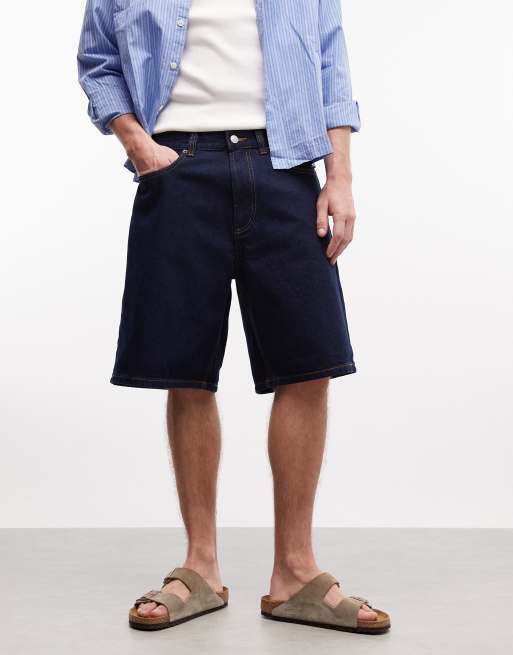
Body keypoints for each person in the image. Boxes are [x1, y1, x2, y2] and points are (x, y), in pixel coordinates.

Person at [78, 0, 390, 635]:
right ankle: (200, 568)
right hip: (177, 169)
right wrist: (137, 144)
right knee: (186, 370)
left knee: (309, 363)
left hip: (286, 168)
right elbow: (98, 61)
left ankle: (295, 573)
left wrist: (341, 178)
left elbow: (331, 69)